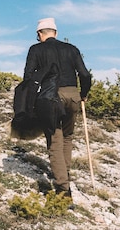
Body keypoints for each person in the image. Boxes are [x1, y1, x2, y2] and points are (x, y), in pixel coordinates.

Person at [23, 17, 91, 200]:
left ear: (39, 34)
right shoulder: (71, 49)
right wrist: (83, 94)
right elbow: (84, 74)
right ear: (56, 33)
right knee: (67, 137)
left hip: (50, 96)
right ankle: (65, 174)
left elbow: (29, 78)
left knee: (55, 140)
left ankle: (63, 190)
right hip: (73, 95)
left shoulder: (35, 49)